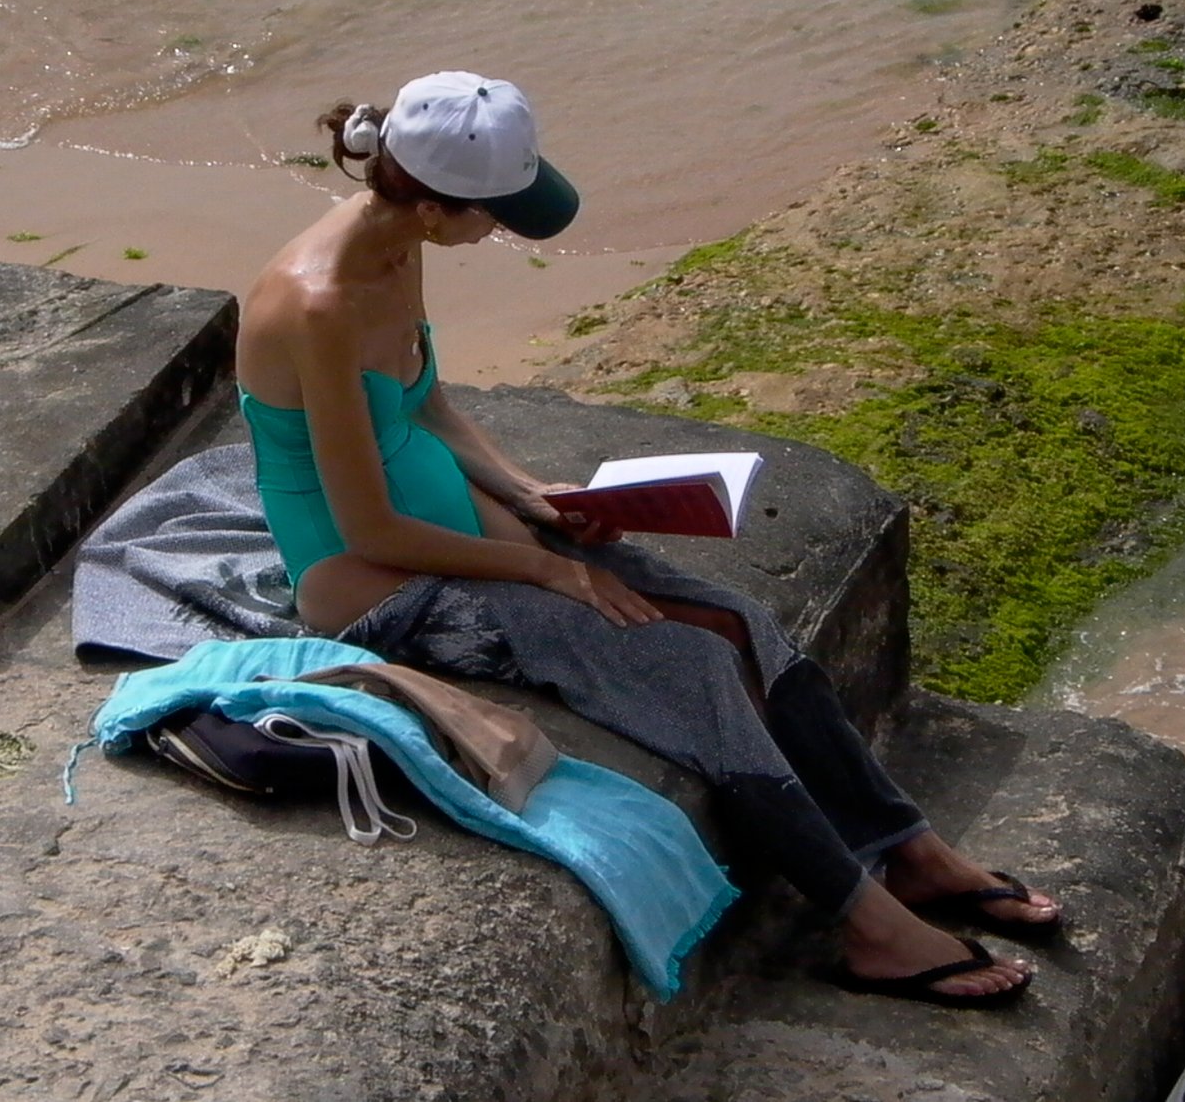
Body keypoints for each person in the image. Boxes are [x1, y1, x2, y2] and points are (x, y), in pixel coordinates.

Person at [235, 70, 1061, 1006]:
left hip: (460, 521)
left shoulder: (399, 244)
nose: (497, 230)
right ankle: (871, 925)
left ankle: (908, 848)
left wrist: (531, 492)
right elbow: (369, 525)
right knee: (691, 668)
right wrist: (543, 568)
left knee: (741, 623)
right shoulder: (320, 304)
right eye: (492, 214)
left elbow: (424, 404)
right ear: (430, 204)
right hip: (375, 580)